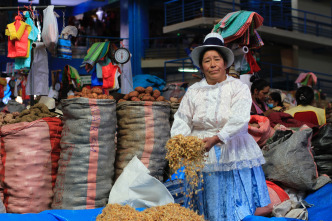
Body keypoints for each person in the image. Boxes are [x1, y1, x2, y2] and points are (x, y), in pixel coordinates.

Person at [171, 32, 270, 221]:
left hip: (233, 149)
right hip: (201, 153)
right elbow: (182, 119)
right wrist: (181, 141)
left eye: (217, 59)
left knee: (234, 198)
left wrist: (218, 138)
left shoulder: (238, 88)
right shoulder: (193, 91)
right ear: (201, 66)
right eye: (207, 60)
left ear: (225, 63)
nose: (213, 64)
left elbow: (240, 118)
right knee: (206, 199)